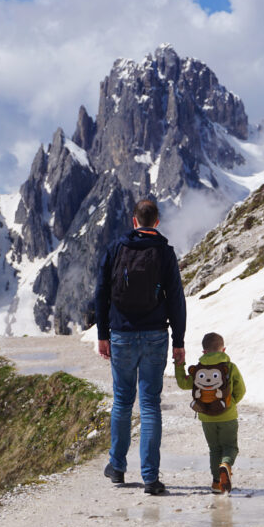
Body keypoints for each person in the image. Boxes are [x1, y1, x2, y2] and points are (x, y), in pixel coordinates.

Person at [95, 199, 186, 495]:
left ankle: (117, 468)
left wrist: (103, 334)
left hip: (121, 334)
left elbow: (101, 293)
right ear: (156, 222)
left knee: (122, 401)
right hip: (156, 335)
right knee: (149, 404)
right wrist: (179, 342)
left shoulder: (116, 248)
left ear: (134, 220)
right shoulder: (165, 253)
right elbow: (176, 299)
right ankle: (150, 477)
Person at [175, 332, 245, 494]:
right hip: (228, 416)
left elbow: (183, 384)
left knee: (214, 449)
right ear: (224, 350)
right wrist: (231, 403)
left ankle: (216, 483)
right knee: (230, 447)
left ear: (204, 352)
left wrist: (179, 365)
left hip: (206, 417)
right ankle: (226, 464)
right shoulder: (230, 367)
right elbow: (241, 389)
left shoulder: (198, 369)